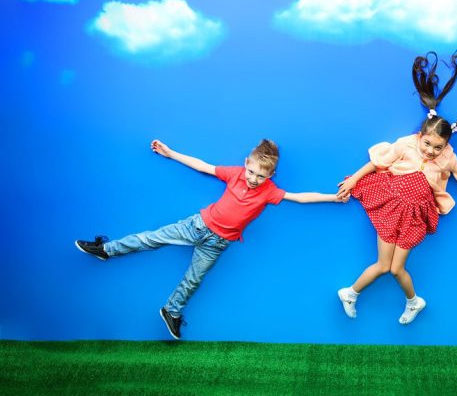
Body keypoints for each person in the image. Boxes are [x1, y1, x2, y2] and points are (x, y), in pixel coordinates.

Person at [75, 139, 344, 339]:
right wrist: (170, 153)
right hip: (197, 226)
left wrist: (333, 197)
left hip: (217, 244)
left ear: (270, 176)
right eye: (251, 172)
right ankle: (106, 249)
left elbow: (300, 197)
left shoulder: (269, 191)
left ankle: (172, 311)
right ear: (246, 164)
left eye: (261, 176)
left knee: (194, 279)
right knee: (151, 239)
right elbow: (203, 166)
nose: (253, 179)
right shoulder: (235, 174)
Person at [335, 52, 457, 325]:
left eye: (438, 147)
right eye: (428, 144)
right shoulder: (406, 144)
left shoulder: (447, 157)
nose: (431, 151)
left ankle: (414, 302)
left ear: (446, 145)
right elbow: (378, 162)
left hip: (414, 217)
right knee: (383, 266)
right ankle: (350, 293)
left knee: (396, 269)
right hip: (392, 208)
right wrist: (354, 179)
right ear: (420, 136)